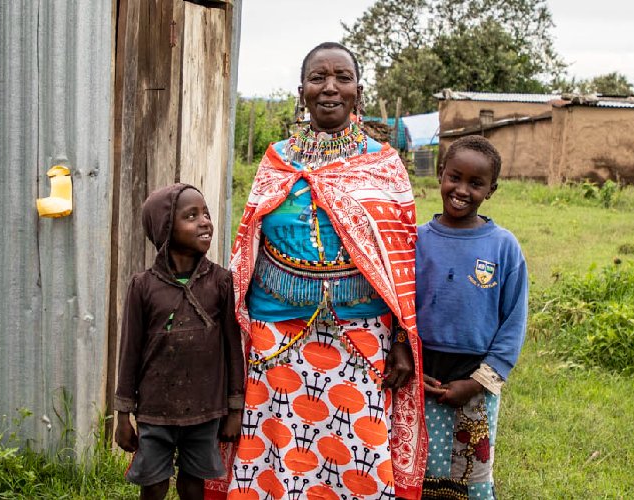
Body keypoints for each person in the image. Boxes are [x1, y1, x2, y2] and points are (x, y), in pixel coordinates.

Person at [209, 41, 427, 500]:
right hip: (275, 333)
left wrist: (404, 342)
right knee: (276, 442)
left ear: (358, 91)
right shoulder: (277, 160)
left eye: (342, 78)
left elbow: (402, 260)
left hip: (360, 332)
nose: (330, 88)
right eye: (318, 78)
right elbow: (249, 241)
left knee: (359, 444)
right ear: (302, 90)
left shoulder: (383, 165)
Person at [414, 136, 528, 500]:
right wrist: (410, 364)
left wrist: (478, 382)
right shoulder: (415, 240)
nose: (462, 190)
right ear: (439, 175)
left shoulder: (503, 246)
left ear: (491, 190)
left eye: (475, 184)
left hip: (474, 377)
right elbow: (399, 309)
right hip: (422, 374)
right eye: (454, 177)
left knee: (471, 475)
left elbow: (514, 322)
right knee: (417, 469)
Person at [115, 183, 244, 500]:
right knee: (154, 484)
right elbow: (129, 352)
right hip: (155, 410)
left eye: (206, 214)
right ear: (165, 229)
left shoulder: (221, 282)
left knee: (193, 484)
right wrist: (122, 415)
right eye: (191, 216)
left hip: (205, 409)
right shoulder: (143, 286)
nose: (205, 222)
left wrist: (234, 409)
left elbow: (232, 348)